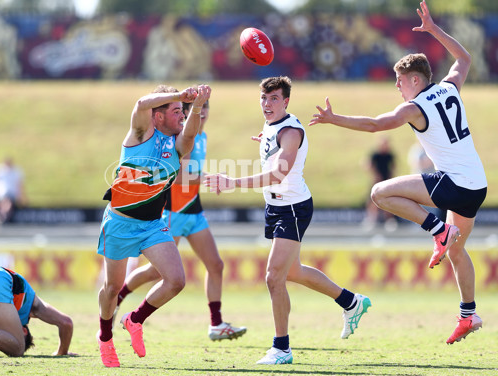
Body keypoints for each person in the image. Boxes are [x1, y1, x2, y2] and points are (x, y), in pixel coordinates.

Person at [309, 0, 486, 345]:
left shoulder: (414, 106)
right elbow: (464, 58)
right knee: (457, 252)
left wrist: (335, 118)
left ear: (416, 79)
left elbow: (377, 125)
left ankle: (438, 229)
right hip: (477, 185)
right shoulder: (449, 87)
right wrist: (435, 30)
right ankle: (469, 314)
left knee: (380, 194)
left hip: (454, 184)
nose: (397, 87)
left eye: (400, 80)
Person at [204, 76, 371, 365]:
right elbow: (274, 149)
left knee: (273, 276)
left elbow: (278, 174)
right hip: (276, 208)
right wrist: (267, 141)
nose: (267, 104)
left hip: (293, 208)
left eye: (274, 99)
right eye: (264, 99)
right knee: (292, 272)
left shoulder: (291, 131)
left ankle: (281, 348)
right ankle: (350, 301)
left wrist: (231, 181)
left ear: (286, 101)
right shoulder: (272, 127)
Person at [97, 84, 211, 367]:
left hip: (151, 225)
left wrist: (196, 104)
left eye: (182, 113)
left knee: (176, 281)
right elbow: (140, 102)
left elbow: (192, 131)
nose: (181, 117)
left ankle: (135, 319)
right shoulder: (140, 134)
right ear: (157, 117)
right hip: (120, 223)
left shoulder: (179, 145)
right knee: (112, 288)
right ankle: (105, 336)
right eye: (176, 113)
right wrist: (178, 96)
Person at [115, 100, 247, 342]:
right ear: (187, 113)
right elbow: (178, 177)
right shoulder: (182, 136)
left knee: (216, 265)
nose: (204, 112)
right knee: (155, 272)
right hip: (173, 212)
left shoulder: (203, 136)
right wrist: (212, 178)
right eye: (199, 108)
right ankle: (119, 297)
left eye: (207, 107)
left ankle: (216, 324)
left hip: (194, 212)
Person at [363, 136, 397, 231]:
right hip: (377, 181)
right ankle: (371, 219)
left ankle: (389, 220)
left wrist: (392, 177)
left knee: (388, 200)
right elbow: (368, 164)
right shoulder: (375, 154)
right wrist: (375, 175)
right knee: (372, 200)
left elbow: (393, 167)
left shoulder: (390, 155)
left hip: (386, 180)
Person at [0, 157, 27, 224]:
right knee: (5, 202)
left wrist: (21, 197)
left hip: (11, 196)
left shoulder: (16, 172)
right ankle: (2, 216)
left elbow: (19, 185)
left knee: (7, 203)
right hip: (0, 196)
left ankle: (1, 216)